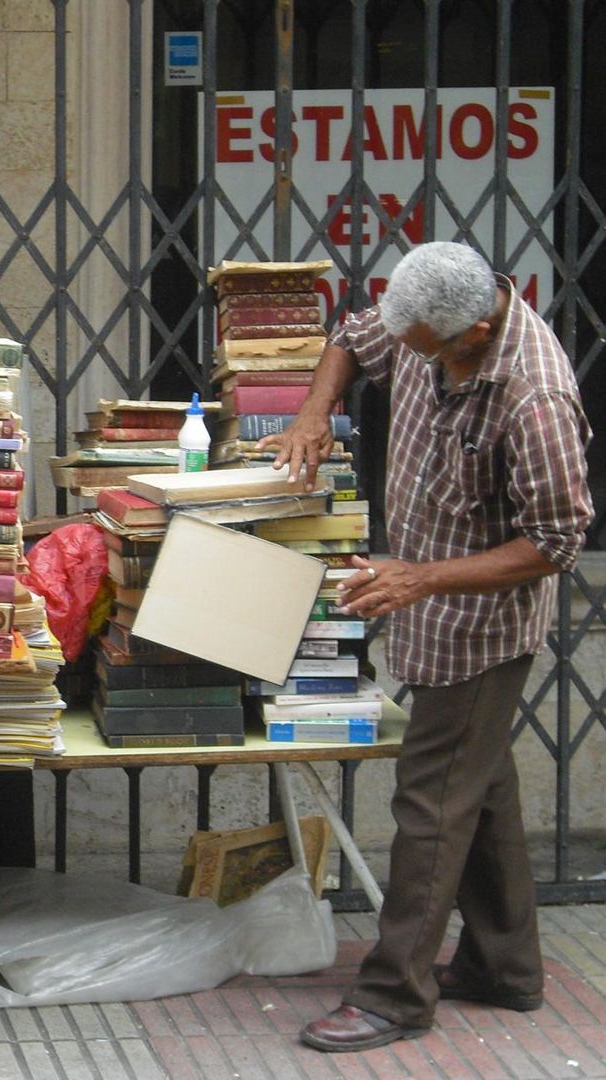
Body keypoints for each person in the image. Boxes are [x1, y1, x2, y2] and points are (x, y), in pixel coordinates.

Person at [261, 242, 594, 1052]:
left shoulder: (533, 398)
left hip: (480, 627)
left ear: (474, 333)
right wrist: (313, 411)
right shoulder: (424, 319)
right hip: (423, 600)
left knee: (432, 805)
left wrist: (421, 580)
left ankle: (394, 996)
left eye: (423, 353)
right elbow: (351, 337)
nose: (404, 359)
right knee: (478, 790)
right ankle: (504, 968)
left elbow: (557, 540)